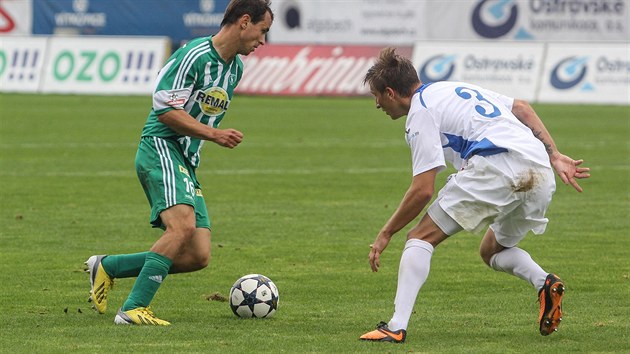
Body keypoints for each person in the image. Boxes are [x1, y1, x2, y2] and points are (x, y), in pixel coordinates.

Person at [359, 48, 590, 343]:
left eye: (377, 96)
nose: (377, 104)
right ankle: (544, 282)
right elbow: (521, 107)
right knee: (492, 251)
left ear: (390, 92)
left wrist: (386, 232)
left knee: (419, 237)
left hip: (496, 164)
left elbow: (422, 190)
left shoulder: (420, 112)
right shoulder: (451, 88)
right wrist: (554, 154)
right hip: (539, 170)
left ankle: (396, 326)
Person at [84, 0, 274, 326]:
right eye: (262, 31)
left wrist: (203, 140)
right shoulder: (195, 56)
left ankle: (109, 267)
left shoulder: (234, 69)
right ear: (244, 22)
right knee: (182, 227)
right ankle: (132, 309)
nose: (263, 41)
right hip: (160, 145)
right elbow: (164, 108)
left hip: (185, 158)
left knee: (198, 254)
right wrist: (214, 135)